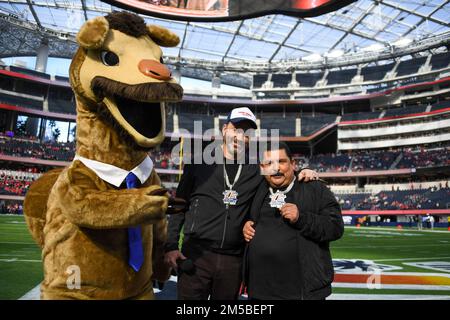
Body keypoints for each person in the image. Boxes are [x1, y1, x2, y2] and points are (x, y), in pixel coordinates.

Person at [164, 107, 318, 300]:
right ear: (224, 129)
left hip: (233, 259)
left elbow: (281, 177)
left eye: (246, 133)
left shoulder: (256, 168)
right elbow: (180, 205)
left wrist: (304, 172)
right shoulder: (198, 163)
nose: (240, 136)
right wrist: (170, 245)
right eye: (236, 129)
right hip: (196, 255)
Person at [242, 142, 344, 300]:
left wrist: (301, 218)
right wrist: (246, 224)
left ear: (293, 164)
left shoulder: (314, 188)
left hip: (301, 292)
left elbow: (335, 227)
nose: (276, 168)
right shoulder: (256, 189)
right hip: (259, 291)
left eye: (281, 162)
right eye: (269, 163)